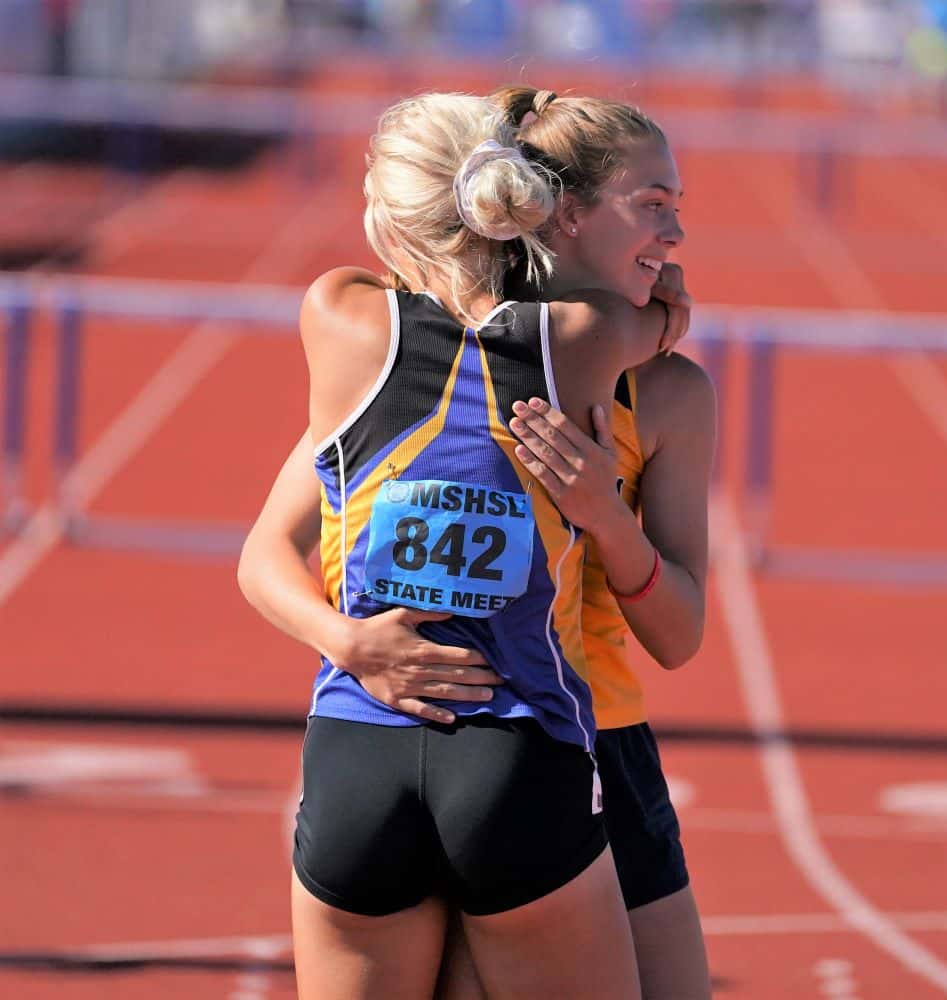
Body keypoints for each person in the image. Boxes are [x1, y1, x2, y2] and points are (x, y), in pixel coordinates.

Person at [239, 87, 715, 999]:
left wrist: (607, 517)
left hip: (589, 745)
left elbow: (680, 635)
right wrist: (349, 642)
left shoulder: (666, 394)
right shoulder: (412, 364)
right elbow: (266, 551)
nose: (677, 234)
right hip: (494, 738)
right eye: (653, 204)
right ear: (559, 211)